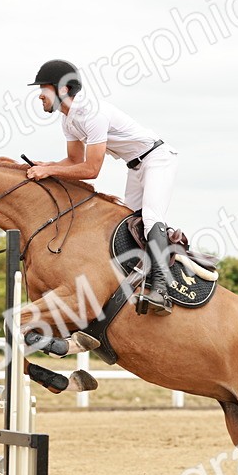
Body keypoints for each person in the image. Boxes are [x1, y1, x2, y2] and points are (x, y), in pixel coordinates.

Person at [26, 59, 179, 316]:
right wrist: (48, 165)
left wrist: (50, 171)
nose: (40, 95)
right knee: (126, 223)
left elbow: (91, 170)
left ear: (63, 89)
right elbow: (73, 161)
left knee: (151, 217)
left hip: (158, 159)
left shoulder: (91, 113)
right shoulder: (68, 120)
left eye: (44, 88)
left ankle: (161, 289)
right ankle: (132, 281)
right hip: (135, 166)